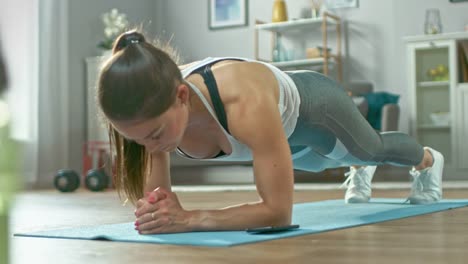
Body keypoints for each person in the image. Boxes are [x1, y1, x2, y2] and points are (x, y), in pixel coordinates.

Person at [97, 30, 444, 234]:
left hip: (317, 110)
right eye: (136, 139)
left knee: (369, 149)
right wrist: (159, 214)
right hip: (284, 142)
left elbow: (278, 214)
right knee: (324, 164)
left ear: (182, 96)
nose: (148, 147)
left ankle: (428, 161)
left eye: (154, 135)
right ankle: (354, 167)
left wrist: (190, 218)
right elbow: (161, 203)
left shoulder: (241, 100)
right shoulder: (151, 109)